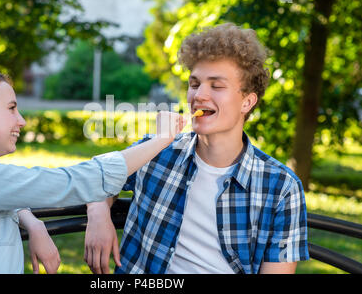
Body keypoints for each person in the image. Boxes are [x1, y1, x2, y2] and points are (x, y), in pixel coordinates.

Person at [84, 23, 309, 274]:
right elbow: (97, 175)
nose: (199, 95)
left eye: (216, 86)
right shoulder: (157, 152)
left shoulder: (281, 187)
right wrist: (97, 212)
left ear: (247, 101)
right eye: (194, 83)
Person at [0, 71, 186, 274]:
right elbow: (68, 183)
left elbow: (7, 192)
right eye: (11, 109)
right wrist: (161, 139)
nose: (21, 120)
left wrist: (33, 222)